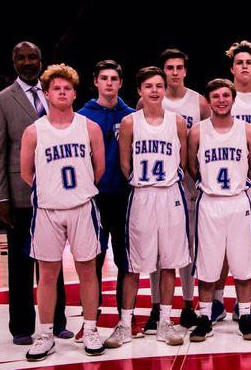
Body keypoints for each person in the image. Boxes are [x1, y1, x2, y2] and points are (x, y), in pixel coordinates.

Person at [0, 41, 71, 345]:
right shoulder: (0, 101)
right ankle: (21, 327)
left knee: (53, 264)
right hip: (20, 195)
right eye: (21, 57)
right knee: (20, 266)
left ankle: (58, 322)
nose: (27, 62)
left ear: (40, 60)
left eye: (32, 56)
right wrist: (1, 197)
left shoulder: (55, 94)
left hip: (56, 194)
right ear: (13, 63)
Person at [20, 63, 106, 360]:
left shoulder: (89, 127)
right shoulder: (34, 131)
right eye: (56, 88)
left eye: (67, 88)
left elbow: (99, 169)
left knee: (87, 271)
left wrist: (76, 191)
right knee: (46, 274)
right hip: (47, 210)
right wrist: (53, 192)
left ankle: (91, 329)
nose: (62, 92)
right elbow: (26, 173)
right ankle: (45, 335)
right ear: (46, 93)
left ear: (74, 93)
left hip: (82, 207)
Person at [104, 67, 190, 348]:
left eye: (159, 86)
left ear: (165, 89)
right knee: (132, 264)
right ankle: (125, 323)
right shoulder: (130, 122)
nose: (154, 90)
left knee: (168, 262)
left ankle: (165, 321)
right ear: (139, 91)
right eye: (148, 86)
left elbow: (184, 160)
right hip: (141, 195)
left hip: (170, 196)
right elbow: (125, 161)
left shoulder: (177, 122)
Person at [187, 78, 251, 342]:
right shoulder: (197, 131)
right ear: (208, 101)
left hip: (237, 201)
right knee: (208, 265)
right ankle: (205, 318)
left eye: (225, 96)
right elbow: (190, 165)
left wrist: (242, 184)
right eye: (215, 96)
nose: (221, 100)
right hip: (210, 202)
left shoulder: (248, 131)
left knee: (242, 264)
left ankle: (244, 316)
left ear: (233, 99)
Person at [210, 40, 251, 325]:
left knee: (245, 246)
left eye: (248, 62)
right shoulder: (223, 97)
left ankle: (243, 305)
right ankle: (215, 301)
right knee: (220, 246)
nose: (244, 66)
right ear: (232, 67)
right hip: (224, 186)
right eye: (239, 63)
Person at [143, 48, 209, 334]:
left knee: (189, 248)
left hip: (191, 182)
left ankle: (188, 303)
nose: (173, 72)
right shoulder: (148, 100)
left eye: (178, 67)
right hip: (159, 186)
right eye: (168, 67)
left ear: (185, 70)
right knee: (157, 250)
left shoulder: (199, 102)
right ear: (163, 70)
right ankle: (157, 305)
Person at [76, 60, 136, 341]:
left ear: (120, 83)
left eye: (114, 78)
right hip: (95, 200)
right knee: (93, 261)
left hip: (125, 198)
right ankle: (90, 321)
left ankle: (126, 319)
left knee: (126, 261)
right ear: (96, 82)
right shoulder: (83, 116)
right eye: (104, 78)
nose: (109, 83)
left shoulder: (133, 116)